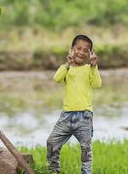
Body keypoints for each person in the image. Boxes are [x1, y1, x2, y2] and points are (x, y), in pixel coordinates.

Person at [46, 35, 102, 174]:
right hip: (66, 116)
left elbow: (97, 84)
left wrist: (94, 66)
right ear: (72, 49)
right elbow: (56, 78)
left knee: (86, 151)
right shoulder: (66, 68)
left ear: (90, 54)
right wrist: (67, 64)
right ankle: (54, 171)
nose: (81, 53)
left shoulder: (89, 69)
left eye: (86, 50)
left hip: (84, 116)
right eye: (78, 48)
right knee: (52, 143)